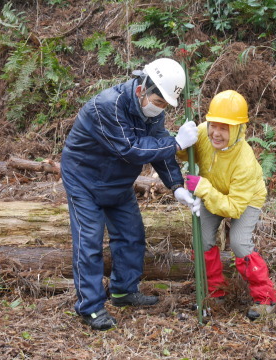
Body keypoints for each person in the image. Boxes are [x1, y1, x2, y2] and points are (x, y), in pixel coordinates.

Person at [61, 58, 199, 330]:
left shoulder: (152, 112)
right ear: (141, 90)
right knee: (88, 241)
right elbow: (130, 149)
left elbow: (159, 146)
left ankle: (124, 291)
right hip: (84, 179)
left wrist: (177, 186)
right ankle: (89, 307)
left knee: (131, 234)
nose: (159, 110)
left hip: (118, 180)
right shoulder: (107, 106)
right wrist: (176, 143)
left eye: (164, 106)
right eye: (158, 102)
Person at [178, 90, 276, 320]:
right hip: (213, 189)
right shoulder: (204, 132)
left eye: (225, 128)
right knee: (201, 239)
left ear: (239, 129)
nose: (216, 133)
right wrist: (183, 142)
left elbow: (233, 209)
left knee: (239, 243)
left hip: (244, 199)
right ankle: (215, 293)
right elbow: (186, 155)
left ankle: (265, 298)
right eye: (214, 124)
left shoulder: (244, 161)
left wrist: (202, 188)